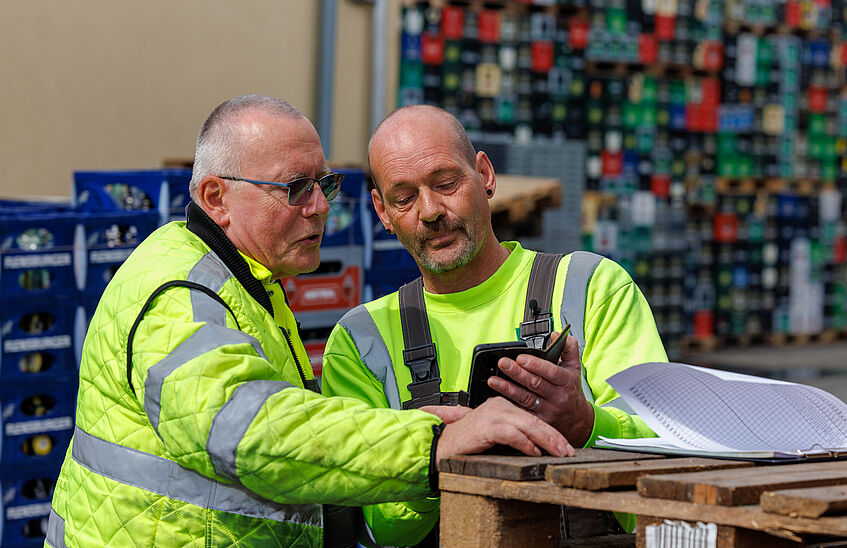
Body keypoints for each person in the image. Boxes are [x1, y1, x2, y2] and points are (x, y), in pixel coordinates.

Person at [46, 95, 572, 548]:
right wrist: (432, 443)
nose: (320, 207)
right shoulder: (178, 293)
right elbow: (250, 431)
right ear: (215, 198)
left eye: (324, 184)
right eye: (296, 189)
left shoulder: (245, 281)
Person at [321, 104, 669, 546]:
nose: (429, 211)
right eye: (404, 198)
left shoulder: (591, 287)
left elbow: (663, 457)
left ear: (485, 175)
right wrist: (431, 453)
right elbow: (379, 529)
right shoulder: (360, 342)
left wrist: (585, 426)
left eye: (446, 183)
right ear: (383, 212)